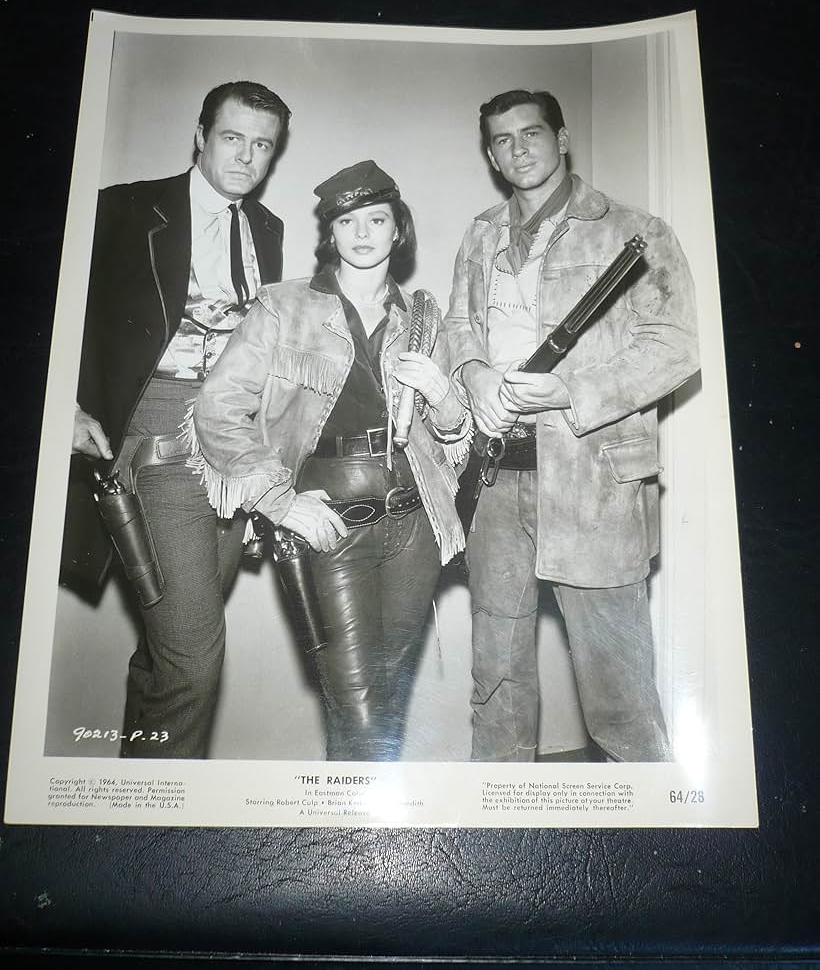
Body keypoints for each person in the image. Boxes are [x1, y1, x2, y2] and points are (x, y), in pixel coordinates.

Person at [445, 89, 699, 763]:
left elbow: (675, 346)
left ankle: (655, 854)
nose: (517, 149)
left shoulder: (632, 231)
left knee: (620, 700)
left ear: (562, 140)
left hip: (593, 485)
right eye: (501, 139)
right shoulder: (480, 233)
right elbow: (459, 328)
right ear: (490, 153)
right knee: (495, 684)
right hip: (495, 480)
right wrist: (474, 381)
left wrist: (569, 389)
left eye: (531, 133)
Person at [191, 160, 469, 761]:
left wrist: (443, 394)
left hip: (414, 524)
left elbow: (455, 438)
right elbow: (217, 410)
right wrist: (279, 501)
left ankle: (351, 835)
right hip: (329, 524)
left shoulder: (423, 320)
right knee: (359, 700)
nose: (363, 232)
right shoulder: (282, 307)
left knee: (385, 698)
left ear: (399, 231)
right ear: (331, 232)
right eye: (348, 221)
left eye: (377, 219)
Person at [63, 80, 291, 759]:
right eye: (232, 137)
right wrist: (65, 404)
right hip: (156, 430)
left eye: (263, 145)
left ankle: (132, 804)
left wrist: (260, 478)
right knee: (193, 662)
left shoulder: (268, 229)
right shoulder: (125, 209)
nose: (247, 157)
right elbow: (57, 310)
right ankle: (164, 825)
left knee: (167, 657)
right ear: (199, 135)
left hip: (234, 435)